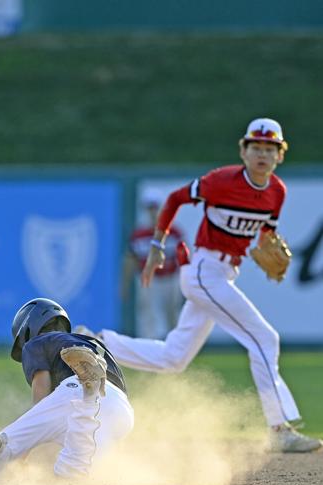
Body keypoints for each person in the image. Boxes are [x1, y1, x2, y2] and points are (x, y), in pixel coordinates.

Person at [88, 118, 321, 452]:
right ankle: (280, 429)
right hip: (203, 271)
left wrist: (269, 244)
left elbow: (265, 233)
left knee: (174, 357)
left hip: (224, 274)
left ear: (280, 156)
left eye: (270, 149)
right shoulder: (221, 181)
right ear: (243, 150)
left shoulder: (276, 193)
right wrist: (157, 245)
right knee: (264, 339)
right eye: (255, 146)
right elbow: (175, 199)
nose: (262, 154)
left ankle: (99, 343)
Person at [0, 298, 133, 481]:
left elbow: (41, 405)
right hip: (120, 407)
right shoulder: (95, 345)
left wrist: (22, 452)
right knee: (75, 473)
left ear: (28, 330)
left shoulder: (38, 342)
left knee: (8, 445)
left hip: (78, 388)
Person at [121, 187, 184, 338]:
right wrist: (124, 284)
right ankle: (147, 348)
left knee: (173, 316)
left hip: (171, 278)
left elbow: (184, 258)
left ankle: (176, 348)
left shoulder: (174, 232)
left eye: (155, 207)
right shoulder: (139, 234)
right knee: (148, 316)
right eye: (149, 208)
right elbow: (130, 260)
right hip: (149, 280)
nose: (152, 212)